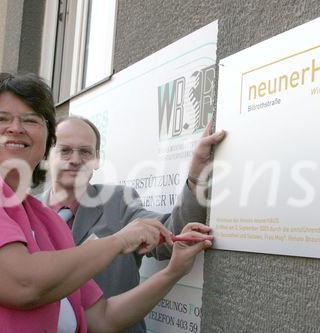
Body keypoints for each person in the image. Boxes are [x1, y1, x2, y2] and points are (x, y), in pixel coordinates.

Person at [0, 72, 213, 333]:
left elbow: (101, 319)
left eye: (31, 120)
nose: (16, 128)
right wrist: (118, 241)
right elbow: (24, 283)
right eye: (0, 118)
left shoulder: (48, 222)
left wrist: (173, 271)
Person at [42, 116, 225, 333]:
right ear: (47, 153)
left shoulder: (118, 202)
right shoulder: (22, 212)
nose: (75, 159)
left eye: (85, 152)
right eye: (65, 150)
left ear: (97, 158)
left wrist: (196, 176)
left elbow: (170, 234)